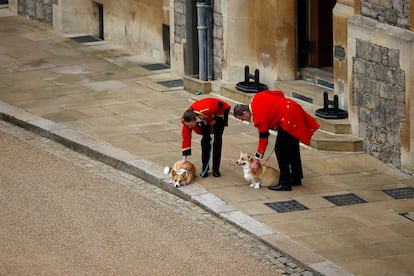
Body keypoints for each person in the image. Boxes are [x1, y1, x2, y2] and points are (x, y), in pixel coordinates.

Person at [233, 90, 320, 191]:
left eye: (242, 118)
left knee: (280, 150)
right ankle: (296, 177)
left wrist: (256, 161)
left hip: (288, 119)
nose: (244, 120)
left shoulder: (259, 118)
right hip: (293, 108)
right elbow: (279, 93)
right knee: (292, 147)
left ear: (245, 112)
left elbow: (263, 140)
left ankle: (285, 183)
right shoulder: (257, 96)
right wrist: (280, 107)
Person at [181, 97, 231, 178]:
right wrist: (184, 158)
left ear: (194, 120)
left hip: (218, 115)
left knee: (217, 142)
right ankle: (205, 169)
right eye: (188, 125)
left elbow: (220, 106)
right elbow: (186, 138)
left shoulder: (207, 108)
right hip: (205, 121)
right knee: (205, 142)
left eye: (191, 124)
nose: (190, 127)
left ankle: (216, 169)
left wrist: (214, 120)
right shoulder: (185, 121)